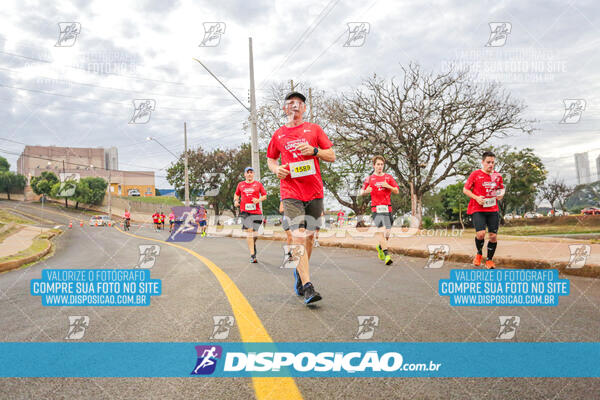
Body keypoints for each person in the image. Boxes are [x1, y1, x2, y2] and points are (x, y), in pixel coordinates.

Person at [267, 91, 335, 305]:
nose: (294, 107)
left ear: (304, 108)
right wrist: (276, 169)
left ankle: (299, 273)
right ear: (285, 109)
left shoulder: (314, 130)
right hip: (290, 193)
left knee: (309, 238)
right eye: (290, 104)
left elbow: (331, 155)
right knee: (297, 235)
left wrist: (314, 151)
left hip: (314, 192)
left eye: (298, 104)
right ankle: (307, 285)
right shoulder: (278, 135)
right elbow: (270, 159)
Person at [463, 151, 505, 269]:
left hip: (492, 209)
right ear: (482, 162)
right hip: (478, 209)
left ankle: (490, 260)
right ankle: (479, 253)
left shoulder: (497, 176)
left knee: (493, 236)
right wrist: (476, 198)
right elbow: (465, 190)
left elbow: (502, 189)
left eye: (493, 162)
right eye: (488, 162)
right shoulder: (475, 174)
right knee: (481, 234)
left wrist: (500, 195)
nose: (490, 165)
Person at [359, 155, 400, 265]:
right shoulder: (369, 178)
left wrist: (388, 186)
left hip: (388, 208)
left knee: (387, 233)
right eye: (378, 164)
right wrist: (366, 191)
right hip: (376, 208)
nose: (380, 166)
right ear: (374, 166)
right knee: (381, 231)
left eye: (381, 164)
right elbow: (361, 192)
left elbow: (396, 190)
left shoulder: (388, 177)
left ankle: (380, 247)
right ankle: (387, 256)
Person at [234, 167, 267, 263]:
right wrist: (236, 201)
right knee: (249, 231)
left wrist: (258, 200)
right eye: (247, 172)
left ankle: (253, 245)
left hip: (256, 212)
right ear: (244, 174)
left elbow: (265, 196)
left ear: (253, 174)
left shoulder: (258, 184)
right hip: (245, 211)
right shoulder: (241, 185)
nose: (249, 174)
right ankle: (253, 255)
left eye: (251, 172)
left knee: (255, 234)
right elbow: (236, 194)